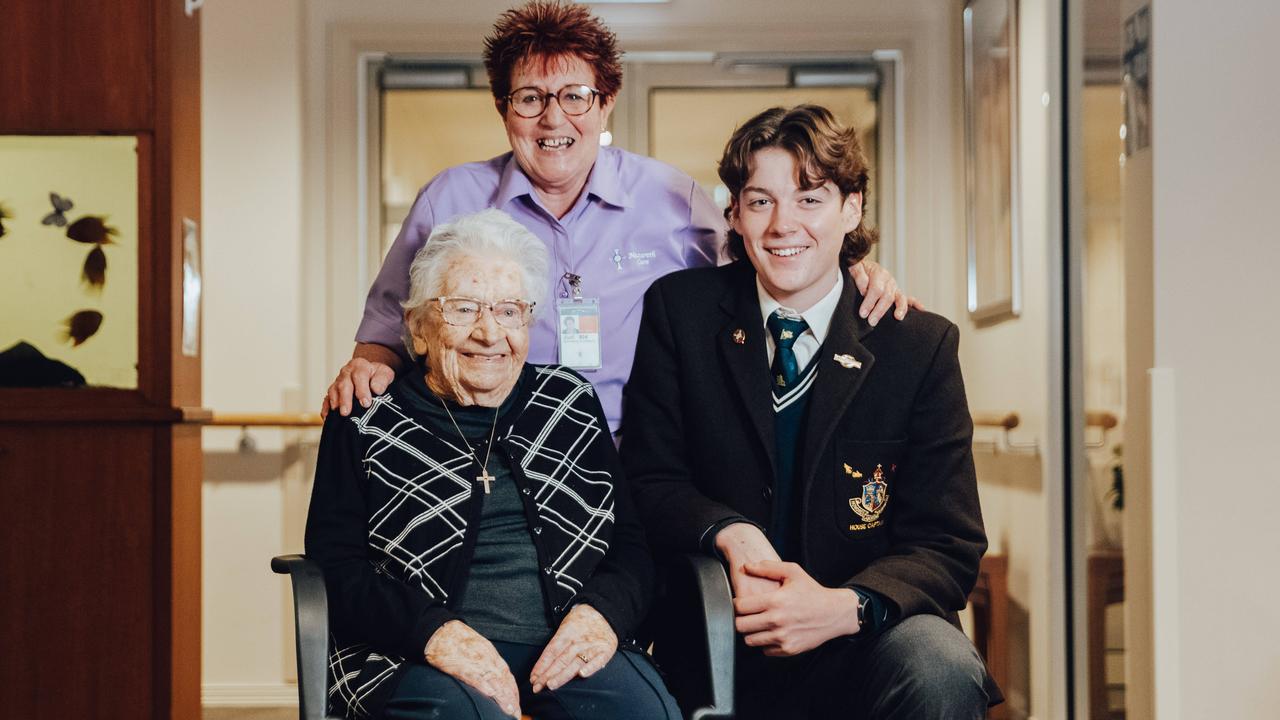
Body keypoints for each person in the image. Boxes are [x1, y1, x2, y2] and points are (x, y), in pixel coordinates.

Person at [322, 0, 912, 430]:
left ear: (606, 103)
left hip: (637, 464)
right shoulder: (446, 201)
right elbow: (384, 335)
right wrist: (366, 368)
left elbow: (773, 262)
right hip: (484, 452)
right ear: (504, 108)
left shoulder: (672, 199)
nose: (554, 120)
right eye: (531, 98)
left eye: (575, 96)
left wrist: (854, 269)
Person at [622, 105, 998, 719]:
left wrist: (841, 607)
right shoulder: (679, 314)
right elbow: (648, 479)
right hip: (724, 632)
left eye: (810, 199)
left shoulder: (918, 345)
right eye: (760, 201)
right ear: (736, 216)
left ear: (852, 208)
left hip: (867, 636)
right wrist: (727, 532)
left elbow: (946, 542)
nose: (782, 225)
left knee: (945, 665)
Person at [306, 209, 680, 720]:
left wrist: (601, 615)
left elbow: (630, 542)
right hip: (410, 652)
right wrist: (433, 633)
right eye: (462, 309)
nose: (489, 333)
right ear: (417, 329)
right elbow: (336, 565)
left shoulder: (568, 400)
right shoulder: (365, 417)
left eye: (509, 311)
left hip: (565, 643)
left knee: (639, 712)